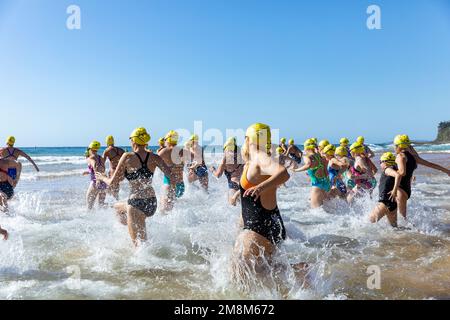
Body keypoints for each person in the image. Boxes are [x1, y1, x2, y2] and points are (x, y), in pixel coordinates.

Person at [231, 123, 292, 284]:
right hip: (266, 223)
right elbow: (254, 185)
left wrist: (260, 187)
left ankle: (303, 272)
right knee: (265, 273)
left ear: (247, 139)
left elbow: (283, 173)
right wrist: (240, 192)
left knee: (238, 278)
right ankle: (303, 274)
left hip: (260, 226)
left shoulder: (259, 156)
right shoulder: (253, 160)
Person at [96, 127, 173, 246]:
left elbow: (112, 182)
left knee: (138, 246)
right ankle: (135, 222)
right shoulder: (154, 157)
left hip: (136, 202)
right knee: (117, 207)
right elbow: (172, 177)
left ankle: (135, 223)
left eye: (131, 139)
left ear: (134, 141)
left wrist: (102, 177)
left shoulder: (128, 156)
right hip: (151, 203)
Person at [393, 134, 450, 220]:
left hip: (399, 188)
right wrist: (446, 171)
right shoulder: (414, 157)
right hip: (407, 189)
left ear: (397, 146)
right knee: (402, 217)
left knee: (400, 219)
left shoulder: (400, 156)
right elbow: (430, 164)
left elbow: (402, 172)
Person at [294, 139, 331, 208]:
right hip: (326, 184)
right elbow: (326, 172)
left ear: (306, 147)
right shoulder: (320, 156)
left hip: (317, 185)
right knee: (326, 211)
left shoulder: (307, 156)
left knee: (316, 212)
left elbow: (308, 164)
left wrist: (296, 170)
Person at [369, 152, 402, 227]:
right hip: (392, 203)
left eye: (380, 162)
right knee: (395, 228)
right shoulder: (395, 169)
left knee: (369, 221)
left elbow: (398, 176)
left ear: (385, 162)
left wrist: (394, 190)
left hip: (385, 202)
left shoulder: (387, 169)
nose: (380, 164)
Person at [158, 130, 186, 212]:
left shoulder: (165, 151)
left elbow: (152, 161)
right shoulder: (182, 151)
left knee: (164, 211)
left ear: (168, 140)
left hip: (169, 184)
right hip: (181, 185)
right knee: (173, 208)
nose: (165, 142)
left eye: (165, 140)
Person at [211, 137, 244, 206]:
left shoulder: (225, 158)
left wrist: (213, 170)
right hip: (243, 184)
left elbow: (218, 175)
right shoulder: (241, 155)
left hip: (233, 185)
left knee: (233, 207)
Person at [86, 141, 107, 210]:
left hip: (95, 182)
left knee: (89, 204)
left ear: (90, 149)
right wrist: (88, 172)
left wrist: (97, 179)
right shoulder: (100, 157)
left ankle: (89, 219)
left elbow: (95, 166)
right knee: (101, 205)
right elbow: (102, 169)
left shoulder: (91, 158)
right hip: (104, 182)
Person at [103, 135, 125, 200]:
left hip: (113, 171)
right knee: (116, 187)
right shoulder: (121, 150)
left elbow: (102, 162)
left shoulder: (107, 150)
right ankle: (116, 200)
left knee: (111, 187)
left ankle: (115, 202)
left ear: (107, 142)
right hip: (121, 171)